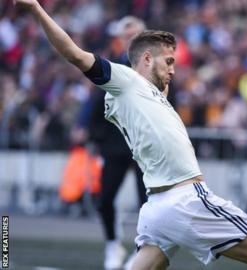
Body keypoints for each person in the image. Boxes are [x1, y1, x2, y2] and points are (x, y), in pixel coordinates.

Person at [14, 1, 247, 269]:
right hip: (186, 199)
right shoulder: (127, 81)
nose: (173, 69)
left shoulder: (151, 94)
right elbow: (75, 54)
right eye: (168, 61)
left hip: (157, 209)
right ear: (146, 59)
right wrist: (37, 9)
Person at [79, 16, 147, 270]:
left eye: (134, 34)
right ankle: (113, 244)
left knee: (147, 206)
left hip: (143, 145)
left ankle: (143, 253)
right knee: (105, 198)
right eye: (125, 34)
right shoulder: (112, 65)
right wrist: (88, 130)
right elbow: (95, 101)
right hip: (116, 143)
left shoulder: (153, 66)